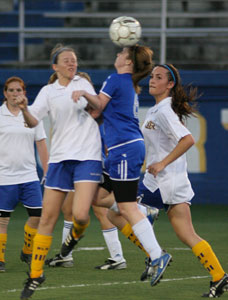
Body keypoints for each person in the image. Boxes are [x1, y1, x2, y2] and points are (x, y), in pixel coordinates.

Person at [56, 45, 172, 286]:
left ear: (128, 61)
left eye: (121, 53)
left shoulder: (116, 79)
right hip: (122, 150)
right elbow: (98, 112)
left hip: (124, 150)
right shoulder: (126, 82)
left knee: (126, 207)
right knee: (98, 197)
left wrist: (83, 94)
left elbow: (97, 105)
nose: (116, 54)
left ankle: (157, 255)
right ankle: (144, 213)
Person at [16, 44, 102, 300]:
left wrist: (85, 95)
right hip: (60, 159)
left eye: (74, 60)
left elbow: (99, 106)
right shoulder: (48, 91)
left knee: (81, 215)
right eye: (66, 61)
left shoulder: (83, 83)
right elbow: (33, 121)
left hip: (87, 156)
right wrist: (23, 108)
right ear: (55, 67)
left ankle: (72, 240)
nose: (71, 64)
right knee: (47, 219)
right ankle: (35, 275)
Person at [138, 63, 228, 297]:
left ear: (170, 84)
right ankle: (219, 277)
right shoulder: (157, 109)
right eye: (151, 76)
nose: (152, 80)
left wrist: (162, 163)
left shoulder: (165, 110)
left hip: (163, 180)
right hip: (168, 179)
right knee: (187, 234)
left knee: (119, 211)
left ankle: (155, 255)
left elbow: (187, 140)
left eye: (159, 77)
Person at [0, 76, 48, 272]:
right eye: (10, 90)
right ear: (5, 93)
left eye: (18, 90)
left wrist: (47, 170)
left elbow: (41, 143)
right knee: (2, 220)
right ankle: (0, 259)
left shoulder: (32, 115)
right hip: (4, 177)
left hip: (29, 176)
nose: (14, 94)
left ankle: (27, 250)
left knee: (37, 216)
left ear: (24, 93)